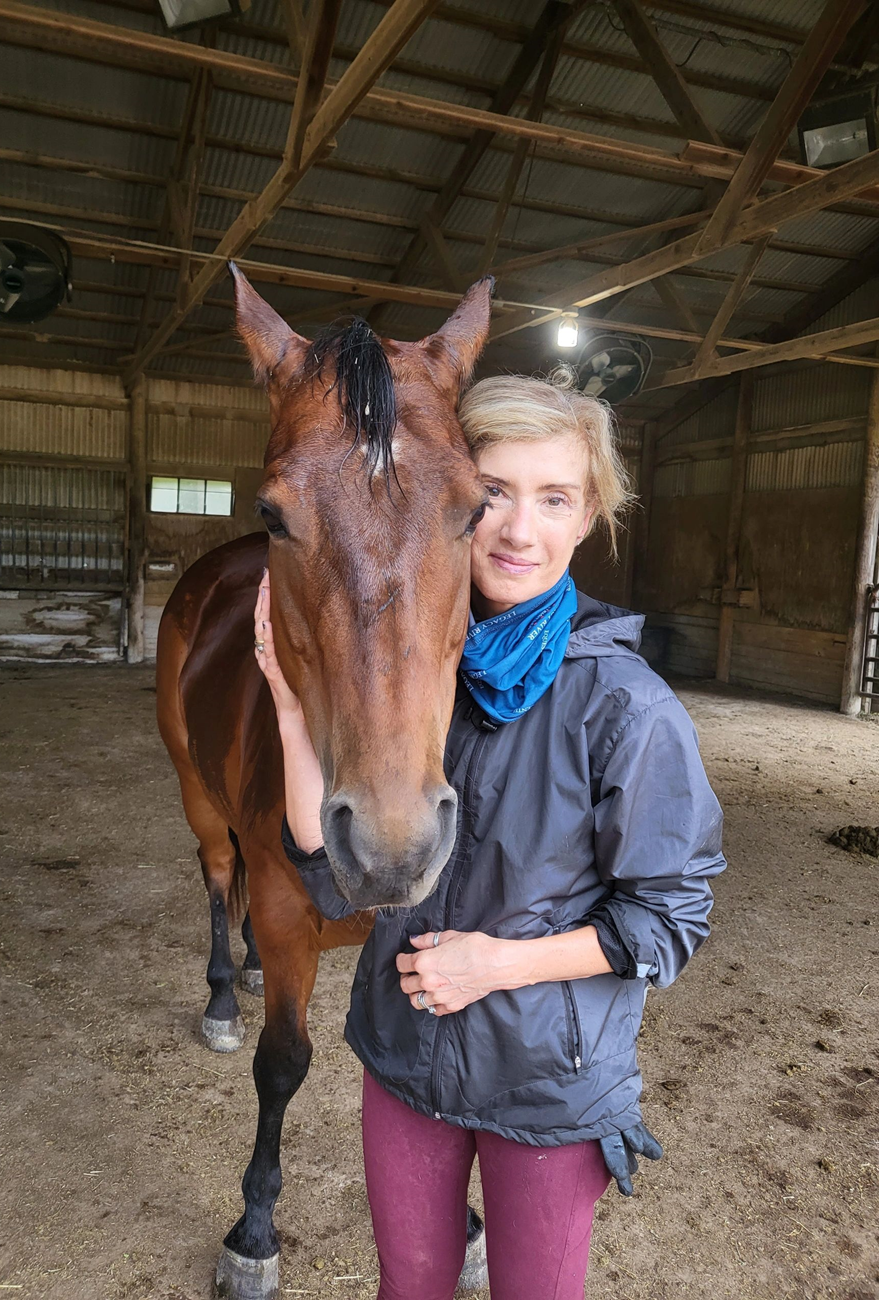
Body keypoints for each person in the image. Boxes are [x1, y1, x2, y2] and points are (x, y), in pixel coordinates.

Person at [253, 369, 727, 1300]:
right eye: (496, 495)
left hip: (545, 1083)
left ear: (588, 517)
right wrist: (285, 708)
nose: (520, 530)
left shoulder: (626, 708)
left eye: (554, 499)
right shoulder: (409, 684)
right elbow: (326, 879)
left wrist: (495, 967)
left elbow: (670, 920)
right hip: (404, 1058)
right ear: (451, 504)